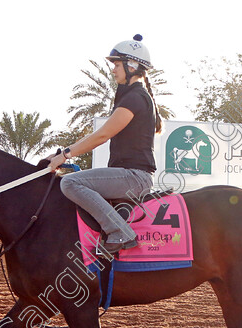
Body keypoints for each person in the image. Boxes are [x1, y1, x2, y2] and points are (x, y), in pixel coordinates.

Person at [46, 34, 163, 253]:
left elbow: (101, 136)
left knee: (70, 183)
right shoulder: (134, 96)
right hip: (130, 175)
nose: (113, 69)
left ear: (132, 65)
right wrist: (65, 154)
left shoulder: (135, 98)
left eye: (116, 64)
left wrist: (64, 155)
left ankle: (121, 232)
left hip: (135, 178)